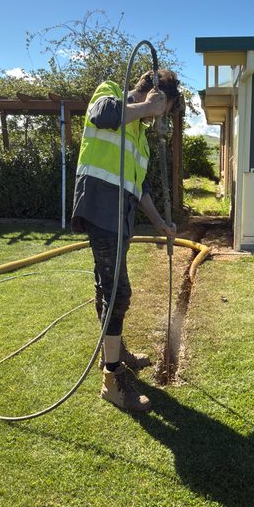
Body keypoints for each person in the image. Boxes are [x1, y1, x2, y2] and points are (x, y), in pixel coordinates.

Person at [71, 67, 180, 412]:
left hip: (121, 219)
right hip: (99, 209)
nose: (162, 118)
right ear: (156, 95)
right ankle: (112, 379)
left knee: (109, 289)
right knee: (118, 291)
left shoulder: (140, 138)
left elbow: (141, 189)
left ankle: (118, 351)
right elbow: (101, 115)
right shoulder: (110, 94)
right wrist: (146, 108)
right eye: (166, 108)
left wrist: (161, 224)